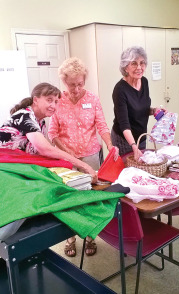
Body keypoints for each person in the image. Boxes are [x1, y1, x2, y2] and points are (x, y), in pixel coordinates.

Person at [0, 82, 97, 241]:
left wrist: (66, 161)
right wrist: (82, 165)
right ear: (36, 100)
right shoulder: (25, 116)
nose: (53, 105)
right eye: (49, 100)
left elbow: (40, 153)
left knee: (61, 167)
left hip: (18, 166)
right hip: (5, 167)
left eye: (56, 101)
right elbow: (45, 150)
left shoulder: (41, 123)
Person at [48, 57, 119, 258]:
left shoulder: (92, 99)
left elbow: (102, 126)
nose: (76, 88)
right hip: (66, 158)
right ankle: (70, 237)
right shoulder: (58, 101)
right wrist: (66, 152)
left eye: (80, 84)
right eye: (72, 84)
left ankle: (89, 236)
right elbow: (52, 133)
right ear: (64, 82)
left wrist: (110, 144)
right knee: (70, 198)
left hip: (90, 156)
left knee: (89, 197)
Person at [111, 46, 166, 161]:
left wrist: (154, 110)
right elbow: (124, 124)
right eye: (134, 64)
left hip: (141, 137)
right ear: (126, 67)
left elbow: (142, 109)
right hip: (124, 140)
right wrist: (133, 146)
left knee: (140, 169)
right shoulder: (120, 89)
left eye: (142, 63)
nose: (139, 67)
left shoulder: (144, 82)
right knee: (127, 171)